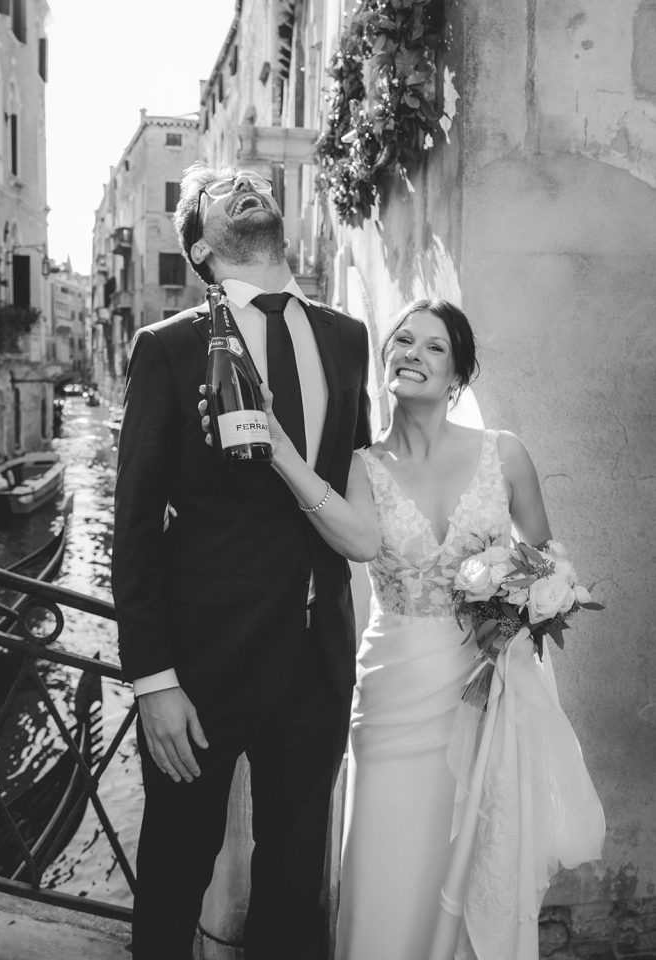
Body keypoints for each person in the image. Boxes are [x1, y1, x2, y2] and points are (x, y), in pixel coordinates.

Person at [202, 297, 604, 960]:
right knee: (387, 862)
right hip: (394, 693)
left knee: (475, 854)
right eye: (403, 341)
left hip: (484, 693)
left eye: (434, 346)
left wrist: (521, 610)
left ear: (458, 375)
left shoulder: (505, 455)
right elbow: (360, 542)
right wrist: (277, 448)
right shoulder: (362, 467)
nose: (412, 354)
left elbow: (545, 562)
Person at [111, 164, 372, 960]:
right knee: (173, 872)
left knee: (293, 886)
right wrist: (153, 680)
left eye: (252, 181)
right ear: (199, 248)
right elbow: (133, 528)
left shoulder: (346, 338)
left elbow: (353, 482)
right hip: (202, 668)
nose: (245, 186)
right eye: (221, 190)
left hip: (316, 660)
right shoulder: (169, 347)